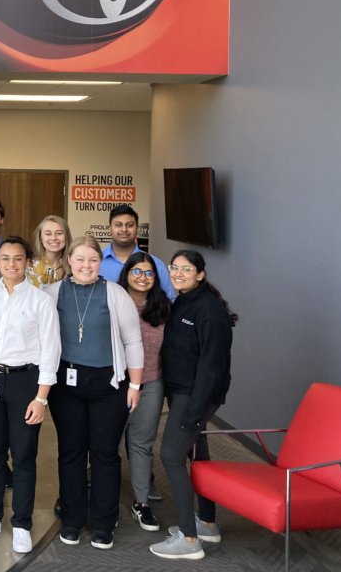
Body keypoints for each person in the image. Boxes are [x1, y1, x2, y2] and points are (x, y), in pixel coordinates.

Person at [44, 235, 143, 550]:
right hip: (66, 386)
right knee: (71, 452)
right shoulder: (52, 293)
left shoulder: (115, 294)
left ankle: (104, 522)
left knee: (104, 454)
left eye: (93, 260)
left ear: (100, 263)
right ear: (69, 260)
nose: (86, 265)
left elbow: (133, 342)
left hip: (109, 387)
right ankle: (72, 520)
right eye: (80, 259)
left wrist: (136, 385)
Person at [0, 237, 60, 554]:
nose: (11, 264)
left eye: (18, 259)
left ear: (28, 262)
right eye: (5, 258)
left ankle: (22, 522)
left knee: (24, 455)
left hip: (27, 382)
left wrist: (42, 398)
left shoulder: (41, 301)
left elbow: (51, 350)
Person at [149, 250, 236, 561]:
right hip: (181, 392)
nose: (178, 273)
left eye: (187, 269)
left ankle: (189, 539)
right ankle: (208, 523)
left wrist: (194, 414)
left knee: (170, 454)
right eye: (174, 267)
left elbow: (212, 369)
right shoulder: (182, 300)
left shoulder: (209, 311)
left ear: (201, 274)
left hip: (194, 396)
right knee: (197, 455)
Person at [118, 252, 171, 535]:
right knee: (106, 445)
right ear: (126, 273)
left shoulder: (164, 308)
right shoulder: (113, 302)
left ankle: (141, 502)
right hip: (114, 386)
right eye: (136, 271)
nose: (142, 277)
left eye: (148, 273)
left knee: (141, 443)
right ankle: (103, 500)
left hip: (151, 384)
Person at [98, 204, 174, 299]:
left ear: (137, 228)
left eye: (130, 225)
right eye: (118, 225)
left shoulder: (155, 264)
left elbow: (170, 301)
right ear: (110, 228)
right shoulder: (95, 260)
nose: (124, 229)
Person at [27, 215, 71, 287]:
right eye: (48, 234)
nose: (53, 238)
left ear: (66, 237)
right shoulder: (29, 267)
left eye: (59, 233)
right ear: (40, 238)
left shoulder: (75, 266)